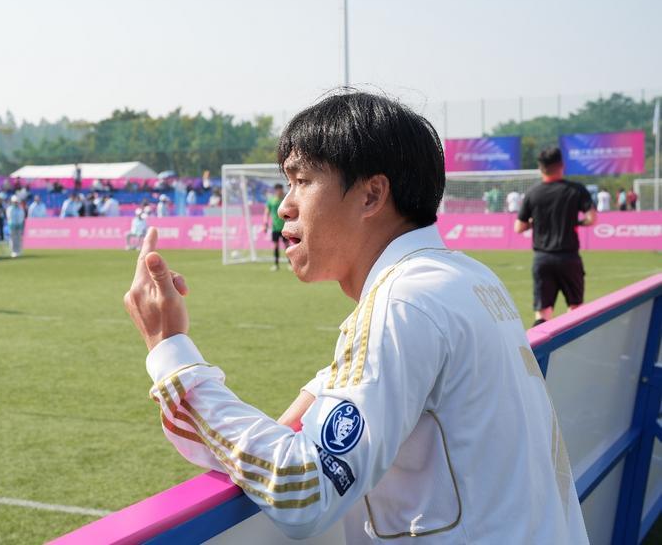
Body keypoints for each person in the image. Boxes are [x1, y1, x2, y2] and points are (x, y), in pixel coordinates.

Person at [123, 91, 587, 543]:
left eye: (302, 181)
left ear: (371, 195)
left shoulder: (404, 302)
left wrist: (170, 350)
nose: (284, 204)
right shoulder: (464, 277)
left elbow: (303, 490)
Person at [514, 147, 596, 325]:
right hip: (569, 258)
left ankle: (538, 352)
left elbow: (518, 227)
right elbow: (592, 218)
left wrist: (532, 222)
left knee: (543, 312)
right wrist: (577, 223)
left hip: (543, 259)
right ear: (561, 165)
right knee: (575, 309)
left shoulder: (533, 193)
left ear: (541, 168)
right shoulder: (576, 189)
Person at [262, 183, 289, 271]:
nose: (279, 192)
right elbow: (266, 212)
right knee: (275, 246)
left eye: (280, 190)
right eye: (277, 190)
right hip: (275, 227)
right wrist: (265, 223)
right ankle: (276, 265)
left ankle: (291, 264)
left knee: (287, 246)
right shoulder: (271, 201)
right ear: (275, 191)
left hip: (285, 227)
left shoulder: (286, 199)